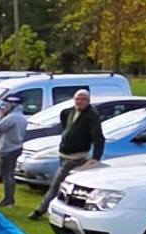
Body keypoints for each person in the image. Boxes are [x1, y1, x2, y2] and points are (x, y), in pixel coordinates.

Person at [30, 88, 106, 219]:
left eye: (83, 99)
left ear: (88, 101)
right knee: (63, 186)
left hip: (77, 157)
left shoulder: (92, 115)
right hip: (63, 155)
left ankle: (40, 210)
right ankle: (58, 210)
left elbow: (99, 138)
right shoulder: (69, 112)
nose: (80, 102)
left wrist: (96, 158)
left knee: (56, 184)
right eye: (78, 99)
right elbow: (66, 126)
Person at [0, 94, 28, 209]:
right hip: (16, 147)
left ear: (13, 105)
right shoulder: (21, 117)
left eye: (6, 104)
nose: (4, 107)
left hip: (8, 149)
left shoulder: (12, 117)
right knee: (9, 174)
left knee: (7, 175)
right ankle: (8, 199)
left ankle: (8, 200)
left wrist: (0, 115)